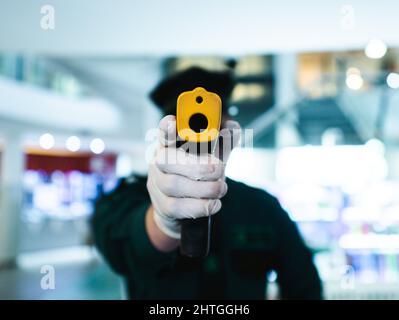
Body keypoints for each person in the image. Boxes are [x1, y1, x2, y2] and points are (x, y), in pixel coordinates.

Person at [91, 66, 323, 299]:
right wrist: (162, 223)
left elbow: (305, 288)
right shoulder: (124, 200)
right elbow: (122, 247)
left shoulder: (262, 206)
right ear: (171, 126)